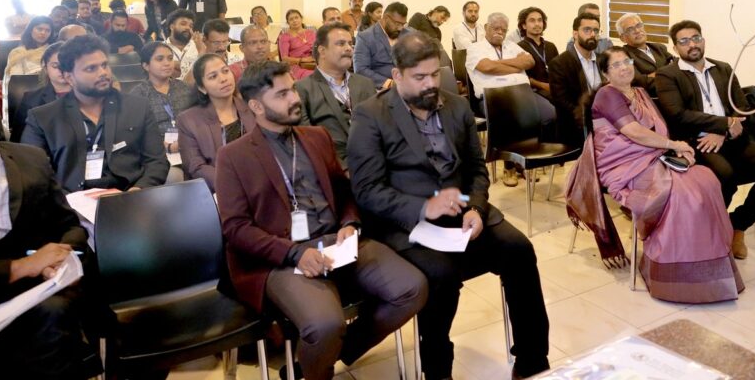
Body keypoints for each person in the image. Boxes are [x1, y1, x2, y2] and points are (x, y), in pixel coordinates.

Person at [347, 32, 550, 380]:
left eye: (434, 75)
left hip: (463, 214)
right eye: (419, 77)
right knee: (441, 275)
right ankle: (438, 370)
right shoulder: (372, 115)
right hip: (408, 223)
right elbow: (366, 190)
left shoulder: (455, 106)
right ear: (397, 75)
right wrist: (423, 208)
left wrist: (476, 209)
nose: (430, 84)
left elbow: (476, 169)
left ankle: (533, 361)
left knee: (519, 250)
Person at [217, 60, 427, 380]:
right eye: (282, 94)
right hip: (283, 256)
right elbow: (236, 229)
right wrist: (294, 253)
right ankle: (320, 366)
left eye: (293, 90)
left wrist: (350, 224)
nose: (295, 99)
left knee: (412, 288)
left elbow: (344, 192)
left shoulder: (316, 136)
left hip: (336, 241)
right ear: (256, 106)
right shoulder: (234, 156)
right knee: (326, 324)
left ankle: (327, 355)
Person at [0, 72, 90, 379]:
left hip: (32, 300)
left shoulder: (29, 161)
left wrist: (60, 259)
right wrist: (19, 267)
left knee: (54, 315)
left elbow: (69, 226)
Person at [585, 47, 743, 302]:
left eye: (626, 61)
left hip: (652, 154)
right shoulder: (607, 95)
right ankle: (672, 271)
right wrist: (673, 145)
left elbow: (660, 129)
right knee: (681, 194)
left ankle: (708, 267)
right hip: (624, 164)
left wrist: (676, 150)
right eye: (616, 65)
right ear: (605, 73)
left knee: (706, 181)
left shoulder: (639, 92)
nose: (624, 67)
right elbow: (633, 132)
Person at [655, 20, 755, 260]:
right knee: (725, 176)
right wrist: (723, 124)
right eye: (684, 41)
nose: (692, 44)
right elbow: (678, 114)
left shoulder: (723, 68)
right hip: (698, 142)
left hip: (732, 138)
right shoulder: (668, 75)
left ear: (703, 40)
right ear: (675, 47)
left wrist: (724, 131)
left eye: (696, 38)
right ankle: (711, 231)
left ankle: (738, 224)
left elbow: (741, 107)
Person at [21, 35, 169, 192]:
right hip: (70, 202)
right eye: (91, 68)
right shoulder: (43, 118)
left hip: (128, 196)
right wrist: (69, 201)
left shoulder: (137, 107)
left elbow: (157, 162)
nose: (103, 73)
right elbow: (33, 174)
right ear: (69, 77)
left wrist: (137, 191)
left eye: (104, 65)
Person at [466, 12, 555, 186]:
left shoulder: (511, 45)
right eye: (495, 28)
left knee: (549, 114)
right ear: (486, 27)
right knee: (512, 118)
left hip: (522, 94)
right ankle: (510, 166)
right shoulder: (475, 48)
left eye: (503, 30)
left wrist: (499, 64)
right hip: (493, 98)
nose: (500, 32)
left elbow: (529, 62)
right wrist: (515, 65)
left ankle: (525, 158)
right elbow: (487, 66)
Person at [295, 22, 375, 166]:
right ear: (322, 51)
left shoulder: (366, 84)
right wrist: (342, 170)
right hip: (332, 168)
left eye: (350, 43)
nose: (349, 48)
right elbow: (307, 142)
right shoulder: (302, 89)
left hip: (374, 163)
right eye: (341, 43)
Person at [177, 53, 255, 192]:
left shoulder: (252, 107)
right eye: (213, 76)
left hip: (257, 182)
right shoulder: (188, 120)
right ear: (202, 88)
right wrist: (232, 183)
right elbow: (196, 166)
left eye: (225, 71)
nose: (223, 79)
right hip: (218, 189)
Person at [129, 42, 198, 156]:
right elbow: (135, 133)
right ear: (146, 66)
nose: (167, 63)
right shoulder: (138, 95)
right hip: (155, 154)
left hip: (190, 146)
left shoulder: (185, 88)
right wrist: (165, 146)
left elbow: (198, 121)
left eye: (170, 58)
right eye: (160, 59)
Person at [548, 13, 603, 147]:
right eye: (587, 30)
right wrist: (589, 117)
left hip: (604, 120)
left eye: (596, 31)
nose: (592, 34)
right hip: (576, 124)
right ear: (575, 33)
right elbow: (562, 101)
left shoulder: (603, 60)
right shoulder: (560, 63)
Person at [9, 42, 70, 143]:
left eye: (67, 65)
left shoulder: (89, 96)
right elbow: (17, 141)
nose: (62, 70)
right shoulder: (31, 100)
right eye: (55, 66)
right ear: (46, 69)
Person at [353, 1, 409, 90]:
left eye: (403, 24)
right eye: (397, 24)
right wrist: (389, 83)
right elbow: (360, 69)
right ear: (386, 18)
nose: (400, 28)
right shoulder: (365, 37)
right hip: (381, 88)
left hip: (409, 85)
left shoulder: (409, 35)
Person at [616, 13, 674, 96]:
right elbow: (638, 81)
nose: (637, 31)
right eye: (630, 29)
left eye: (639, 25)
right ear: (623, 38)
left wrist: (653, 75)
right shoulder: (624, 56)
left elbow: (677, 65)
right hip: (650, 99)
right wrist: (668, 73)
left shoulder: (659, 48)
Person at [516, 7, 558, 101]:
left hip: (554, 90)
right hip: (533, 92)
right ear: (524, 25)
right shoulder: (518, 48)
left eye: (540, 20)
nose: (537, 24)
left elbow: (559, 71)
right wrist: (542, 85)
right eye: (532, 21)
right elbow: (521, 77)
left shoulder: (551, 46)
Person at [4, 15, 54, 82]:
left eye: (47, 30)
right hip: (25, 86)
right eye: (39, 29)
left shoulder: (53, 52)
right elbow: (16, 79)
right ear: (30, 30)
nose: (43, 33)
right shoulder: (18, 53)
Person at [164, 8, 204, 79]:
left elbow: (204, 71)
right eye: (183, 24)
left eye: (191, 26)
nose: (188, 28)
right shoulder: (160, 48)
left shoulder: (198, 46)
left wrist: (175, 64)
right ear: (172, 27)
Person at [278, 9, 317, 80]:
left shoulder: (311, 33)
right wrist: (302, 60)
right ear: (288, 22)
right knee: (313, 76)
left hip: (314, 63)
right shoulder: (285, 37)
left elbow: (318, 49)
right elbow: (284, 58)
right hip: (296, 66)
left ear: (301, 19)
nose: (294, 20)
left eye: (296, 17)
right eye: (291, 19)